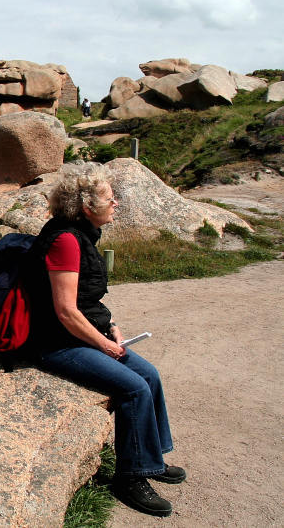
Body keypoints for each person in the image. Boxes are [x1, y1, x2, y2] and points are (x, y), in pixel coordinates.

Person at [24, 162, 185, 517]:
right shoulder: (66, 241)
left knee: (150, 375)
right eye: (110, 199)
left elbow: (86, 299)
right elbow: (65, 311)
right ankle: (130, 477)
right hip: (55, 343)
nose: (116, 205)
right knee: (133, 388)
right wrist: (102, 343)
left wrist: (110, 326)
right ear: (86, 207)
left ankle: (151, 459)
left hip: (81, 334)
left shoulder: (83, 235)